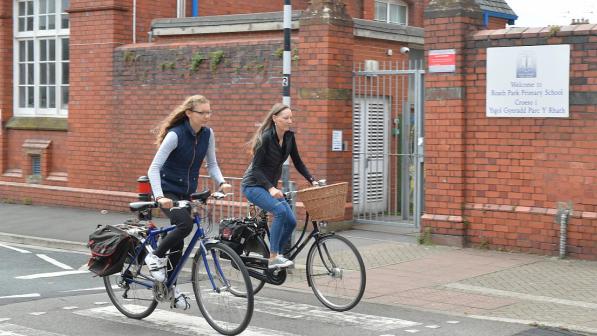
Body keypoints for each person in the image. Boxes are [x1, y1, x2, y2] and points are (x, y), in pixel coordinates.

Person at [145, 94, 231, 308]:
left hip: (185, 193)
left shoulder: (208, 134)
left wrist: (221, 182)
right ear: (189, 113)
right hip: (167, 191)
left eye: (209, 112)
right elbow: (153, 168)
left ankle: (169, 288)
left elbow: (212, 164)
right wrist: (159, 197)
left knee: (180, 239)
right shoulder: (175, 135)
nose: (207, 117)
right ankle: (154, 256)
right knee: (184, 225)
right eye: (203, 113)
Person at [241, 103, 318, 269]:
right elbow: (256, 169)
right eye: (286, 118)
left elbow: (298, 162)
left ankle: (278, 254)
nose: (290, 121)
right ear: (275, 119)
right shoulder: (266, 138)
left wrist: (312, 179)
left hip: (269, 187)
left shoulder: (289, 137)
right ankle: (273, 256)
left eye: (291, 117)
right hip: (253, 186)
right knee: (280, 211)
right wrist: (271, 188)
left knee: (290, 222)